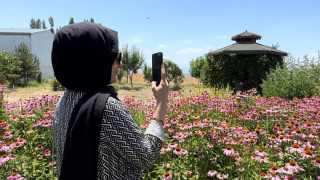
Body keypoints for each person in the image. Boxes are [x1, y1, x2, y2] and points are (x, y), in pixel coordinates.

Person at [52, 22, 168, 180]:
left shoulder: (64, 101)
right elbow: (146, 156)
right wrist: (161, 103)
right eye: (116, 57)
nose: (120, 64)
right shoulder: (106, 108)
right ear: (94, 59)